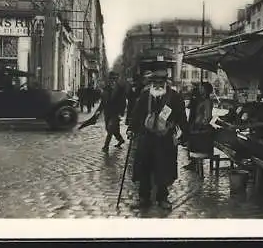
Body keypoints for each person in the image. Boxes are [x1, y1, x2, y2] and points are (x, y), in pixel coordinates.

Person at [128, 68, 189, 211]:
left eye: (161, 82)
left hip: (165, 139)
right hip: (146, 137)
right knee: (144, 168)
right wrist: (131, 129)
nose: (158, 85)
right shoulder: (145, 96)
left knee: (163, 169)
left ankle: (162, 198)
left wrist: (184, 134)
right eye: (155, 82)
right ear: (151, 83)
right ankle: (143, 198)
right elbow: (136, 114)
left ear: (166, 82)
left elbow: (182, 116)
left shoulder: (174, 96)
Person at [92, 71, 127, 151]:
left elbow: (123, 101)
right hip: (107, 112)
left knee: (110, 128)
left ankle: (106, 146)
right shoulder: (106, 88)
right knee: (111, 129)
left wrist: (121, 112)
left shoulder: (120, 88)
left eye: (114, 78)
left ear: (116, 79)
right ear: (109, 79)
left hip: (115, 112)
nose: (113, 80)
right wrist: (99, 111)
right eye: (111, 78)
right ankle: (120, 139)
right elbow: (103, 101)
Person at [186, 82, 215, 169]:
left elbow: (208, 116)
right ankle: (193, 163)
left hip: (200, 126)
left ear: (206, 90)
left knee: (196, 144)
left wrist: (203, 124)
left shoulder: (207, 101)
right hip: (196, 124)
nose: (199, 89)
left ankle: (195, 164)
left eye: (201, 88)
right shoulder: (201, 100)